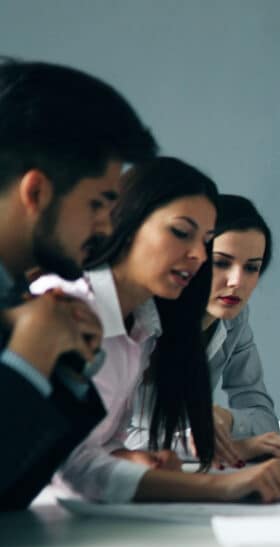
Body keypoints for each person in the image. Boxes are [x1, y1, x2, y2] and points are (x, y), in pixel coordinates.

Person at [38, 157, 280, 503]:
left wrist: (130, 457)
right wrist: (222, 486)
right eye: (181, 233)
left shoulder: (142, 326)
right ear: (127, 221)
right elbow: (65, 464)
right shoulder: (64, 308)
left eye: (205, 241)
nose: (197, 255)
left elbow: (92, 450)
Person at [0, 59, 157, 509]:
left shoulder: (21, 305)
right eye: (98, 203)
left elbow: (13, 492)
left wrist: (66, 372)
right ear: (37, 193)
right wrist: (27, 359)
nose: (108, 228)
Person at [124, 194, 280, 468]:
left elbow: (264, 418)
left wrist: (225, 418)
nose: (237, 282)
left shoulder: (234, 318)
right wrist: (231, 447)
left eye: (252, 268)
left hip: (181, 470)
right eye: (222, 263)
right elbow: (115, 440)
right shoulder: (142, 320)